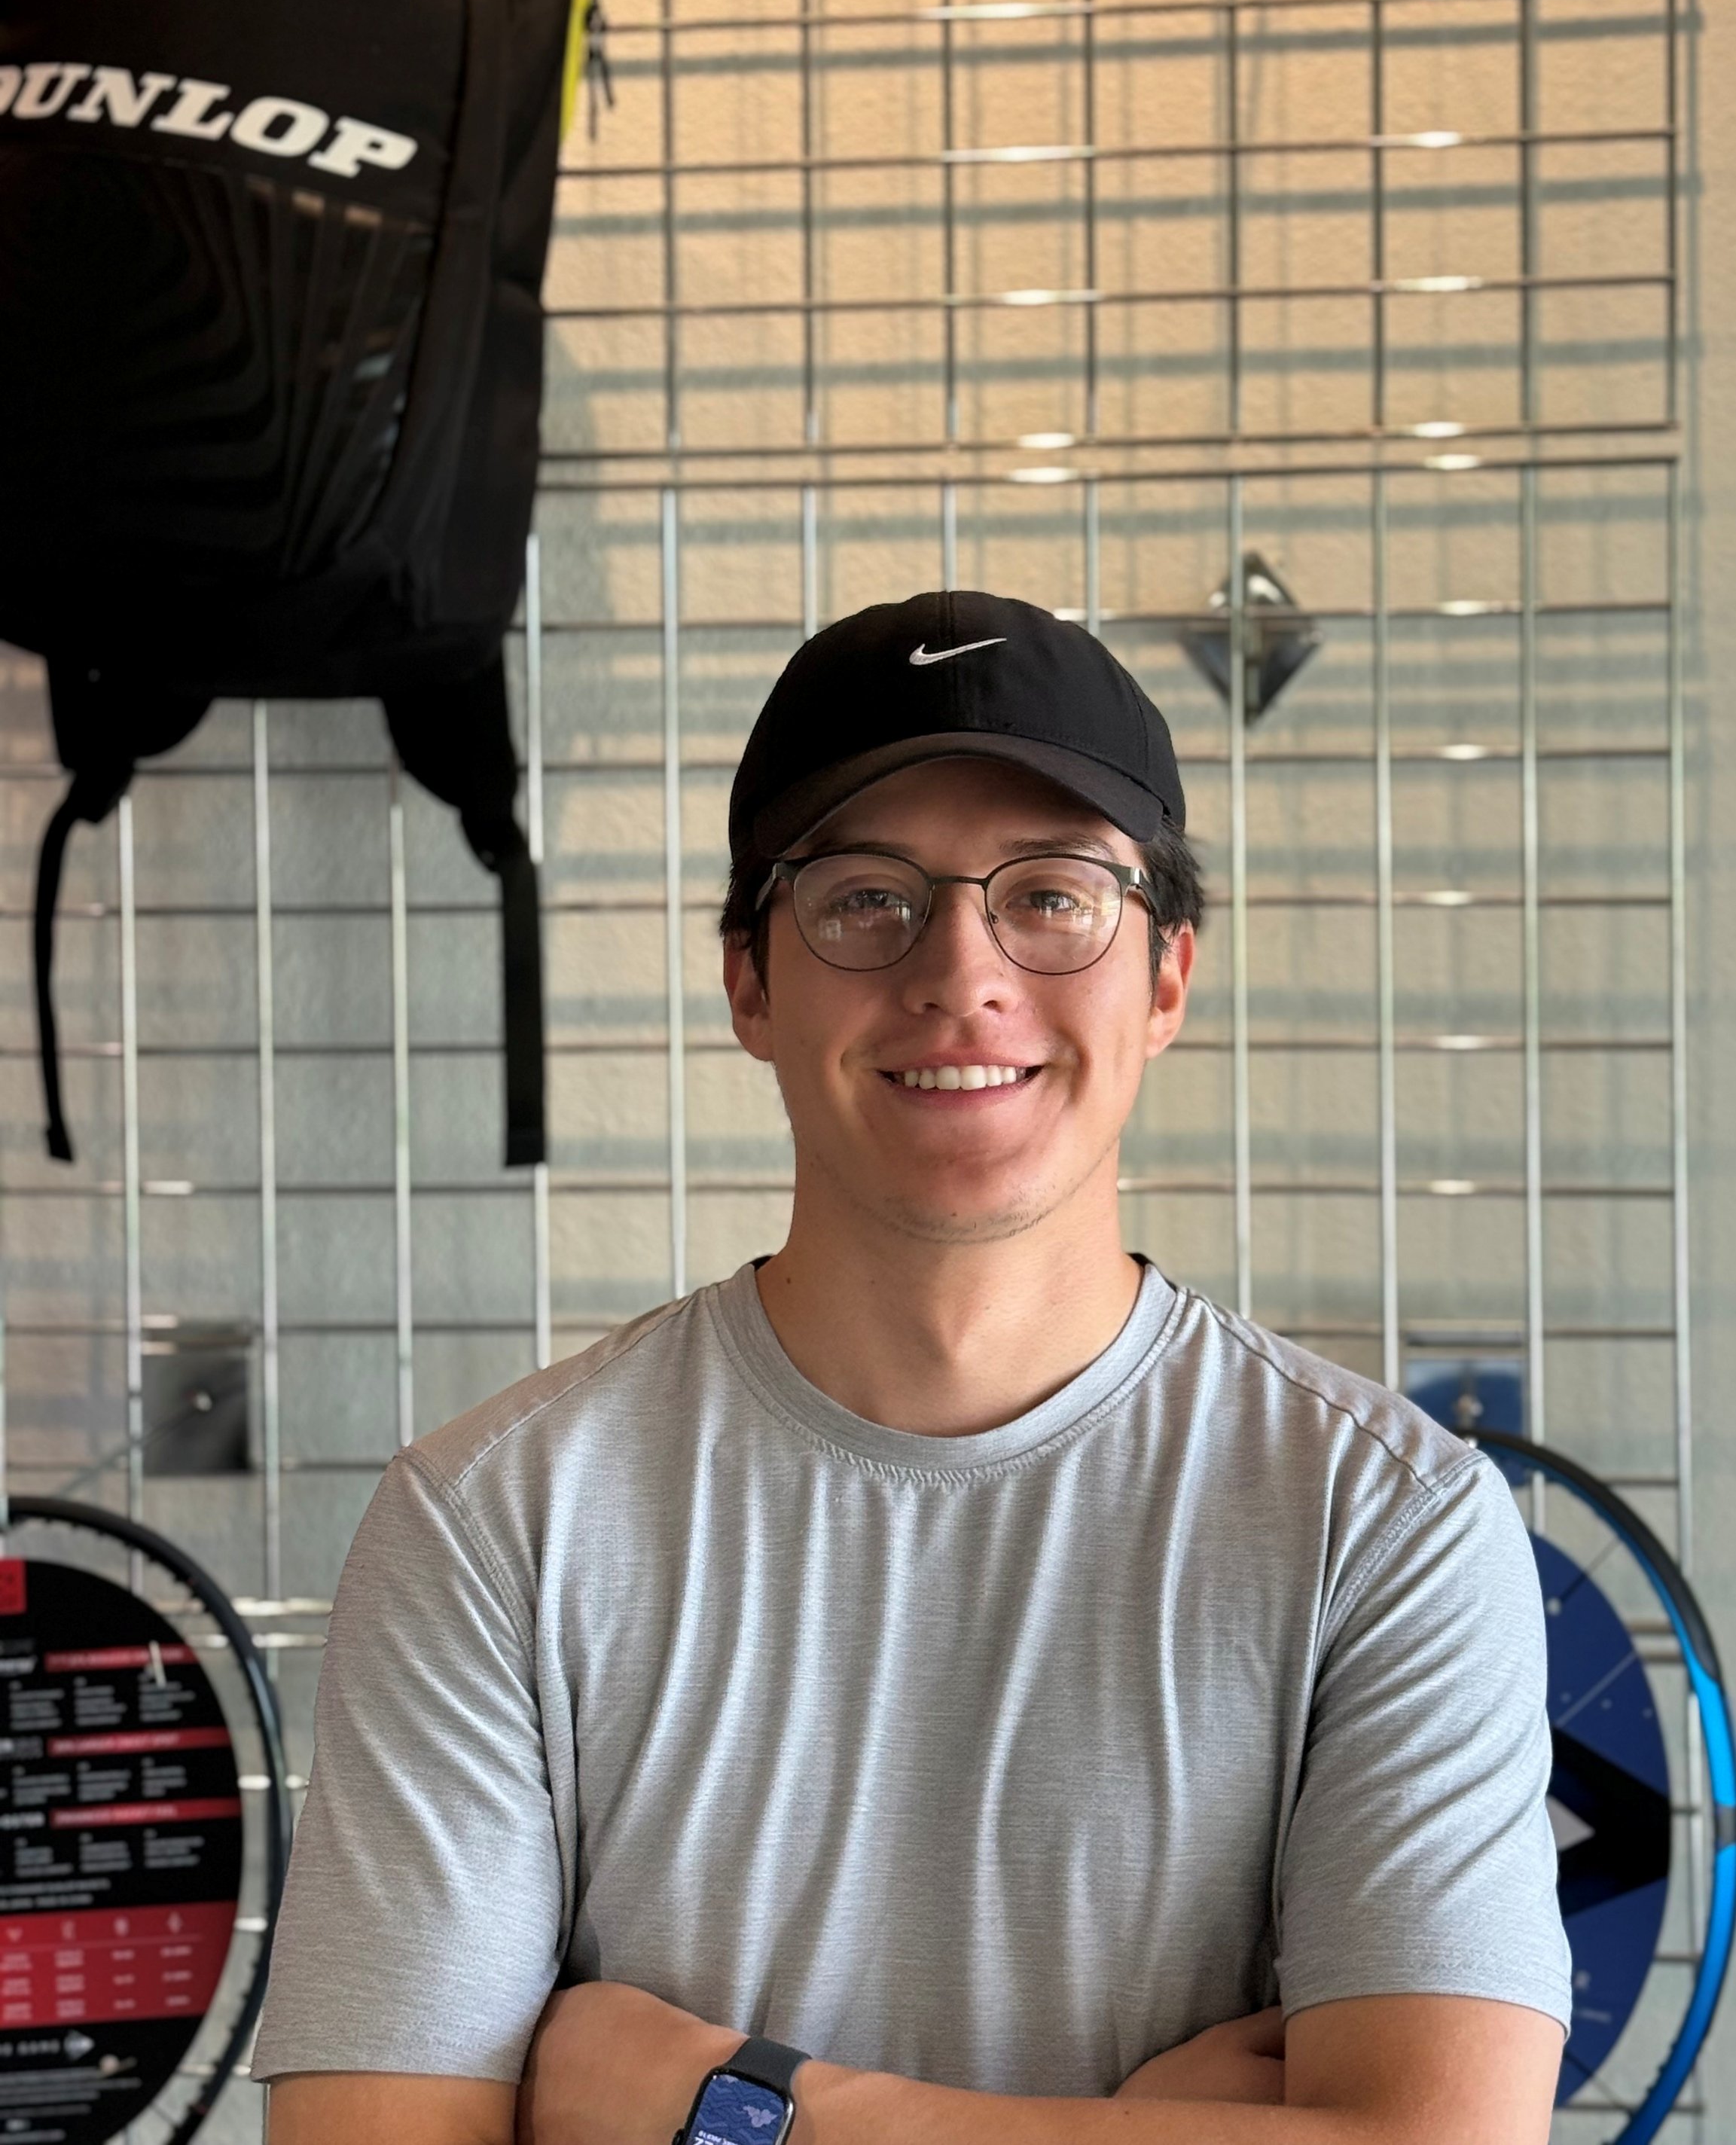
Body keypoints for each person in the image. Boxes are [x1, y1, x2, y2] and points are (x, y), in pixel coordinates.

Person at [255, 591, 1570, 2145]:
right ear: (749, 981)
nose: (959, 969)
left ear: (1163, 978)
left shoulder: (1386, 1523)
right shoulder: (494, 1522)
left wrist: (740, 2116)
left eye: (1054, 895)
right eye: (864, 899)